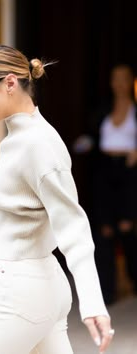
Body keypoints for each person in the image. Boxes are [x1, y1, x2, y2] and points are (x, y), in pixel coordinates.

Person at [0, 44, 114, 354]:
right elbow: (21, 218)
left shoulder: (37, 144)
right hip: (34, 286)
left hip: (21, 294)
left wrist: (94, 303)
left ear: (8, 82)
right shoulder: (20, 139)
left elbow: (73, 227)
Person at [73, 64, 137, 305]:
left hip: (129, 174)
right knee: (105, 231)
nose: (118, 83)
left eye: (123, 79)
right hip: (105, 173)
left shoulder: (135, 110)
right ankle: (107, 292)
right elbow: (91, 137)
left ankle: (132, 278)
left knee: (127, 228)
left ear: (131, 81)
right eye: (115, 79)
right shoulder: (103, 110)